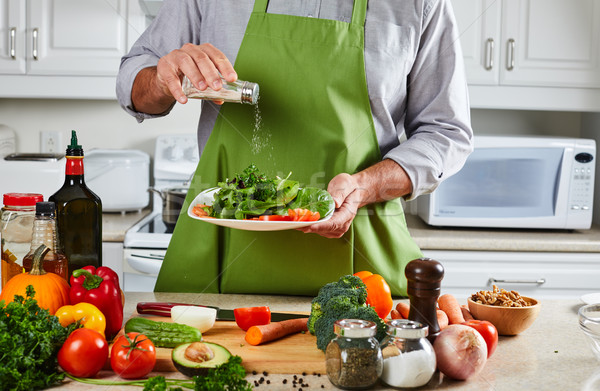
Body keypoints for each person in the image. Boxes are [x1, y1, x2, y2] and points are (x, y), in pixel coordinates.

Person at [116, 0, 473, 296]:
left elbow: (446, 132)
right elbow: (133, 81)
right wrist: (162, 80)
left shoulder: (421, 5)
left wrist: (366, 186)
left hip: (361, 253)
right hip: (221, 249)